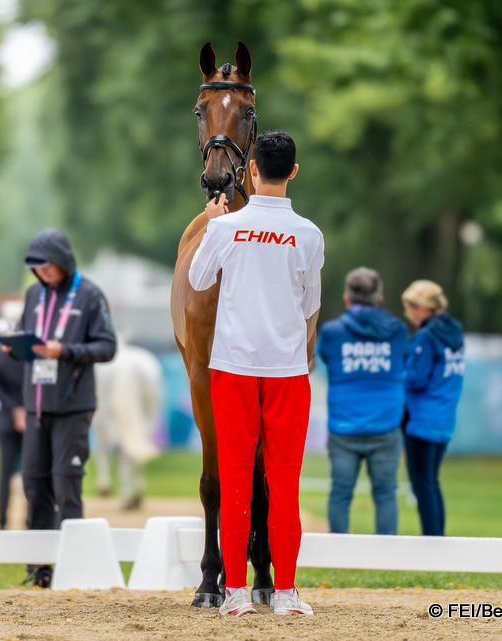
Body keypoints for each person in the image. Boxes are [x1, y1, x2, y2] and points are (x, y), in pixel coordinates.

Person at [188, 130, 324, 617]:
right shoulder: (309, 234)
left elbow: (198, 280)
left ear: (249, 171)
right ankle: (285, 592)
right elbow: (311, 305)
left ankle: (236, 593)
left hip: (234, 368)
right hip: (286, 371)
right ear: (293, 171)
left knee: (237, 477)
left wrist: (211, 225)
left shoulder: (225, 230)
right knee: (286, 482)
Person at [7, 228, 116, 589]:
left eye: (49, 267)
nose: (43, 274)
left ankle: (74, 567)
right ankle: (38, 568)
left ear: (64, 261)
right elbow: (29, 335)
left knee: (66, 484)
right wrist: (16, 346)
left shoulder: (89, 294)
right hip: (36, 405)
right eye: (37, 268)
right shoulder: (33, 293)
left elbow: (106, 346)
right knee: (34, 485)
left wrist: (65, 351)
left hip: (73, 406)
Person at [316, 268, 408, 535]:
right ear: (379, 298)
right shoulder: (398, 331)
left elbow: (319, 362)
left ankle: (338, 556)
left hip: (344, 426)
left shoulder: (333, 332)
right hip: (386, 424)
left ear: (347, 299)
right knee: (386, 492)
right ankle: (387, 557)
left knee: (340, 492)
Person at [400, 279, 464, 537]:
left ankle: (432, 540)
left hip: (421, 419)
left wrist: (399, 373)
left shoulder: (426, 336)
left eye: (409, 308)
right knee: (431, 481)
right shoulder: (454, 334)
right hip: (444, 417)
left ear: (419, 307)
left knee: (422, 482)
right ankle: (437, 537)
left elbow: (416, 379)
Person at [92, 335, 162, 510]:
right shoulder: (146, 360)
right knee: (136, 431)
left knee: (109, 436)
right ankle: (134, 487)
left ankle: (105, 479)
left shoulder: (102, 364)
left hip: (105, 395)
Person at [0, 298, 27, 530]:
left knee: (5, 471)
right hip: (31, 418)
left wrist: (13, 408)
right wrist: (23, 408)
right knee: (33, 471)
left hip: (6, 418)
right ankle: (30, 519)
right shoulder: (30, 353)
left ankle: (2, 521)